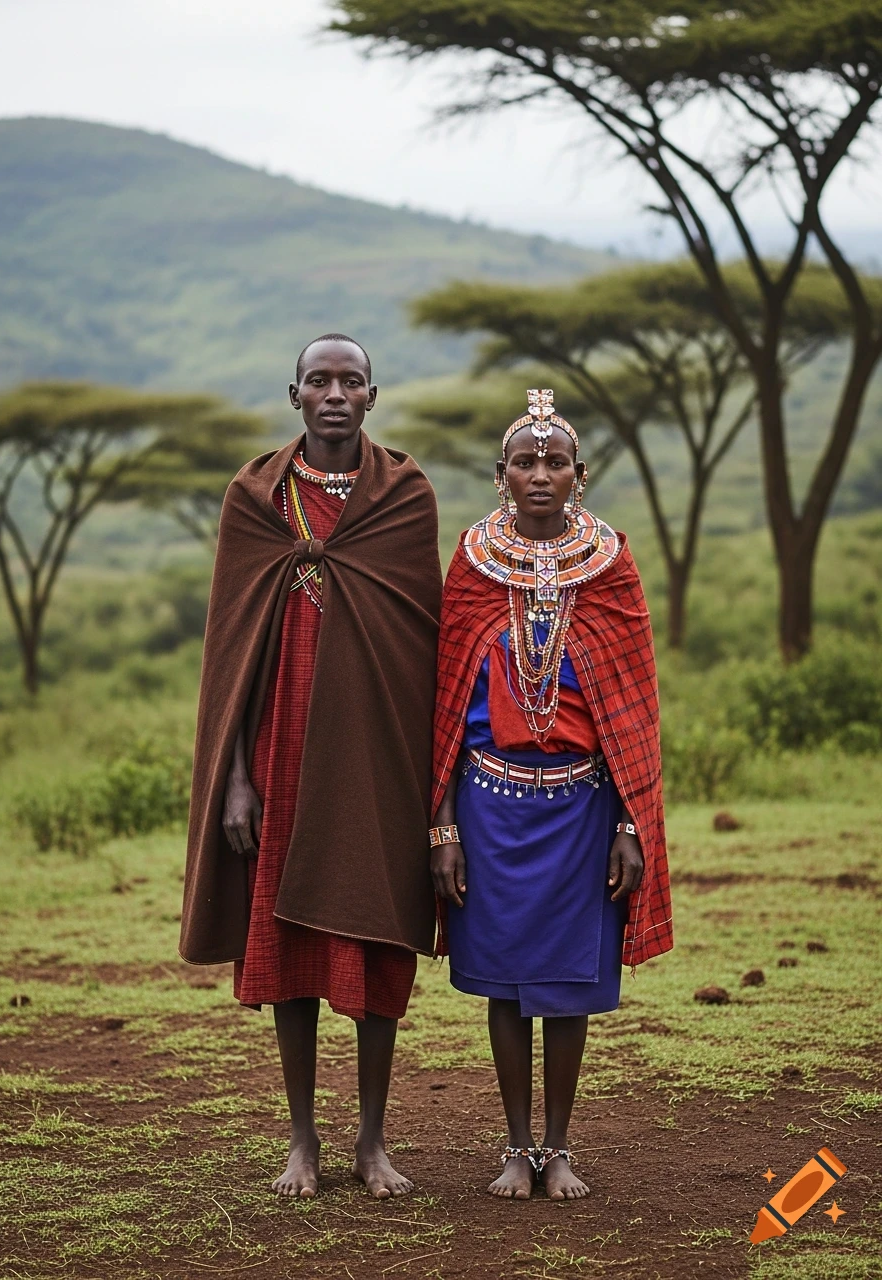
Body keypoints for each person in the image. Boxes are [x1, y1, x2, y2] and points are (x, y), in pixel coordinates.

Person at [180, 334, 441, 1200]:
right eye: (319, 380)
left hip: (373, 761)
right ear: (294, 394)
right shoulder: (255, 499)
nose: (335, 393)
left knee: (372, 937)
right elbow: (233, 656)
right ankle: (304, 1140)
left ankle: (372, 1141)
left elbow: (418, 645)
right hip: (280, 753)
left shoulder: (404, 497)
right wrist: (238, 777)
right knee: (286, 942)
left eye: (351, 381)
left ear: (374, 395)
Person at [429, 389, 672, 1201]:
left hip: (585, 809)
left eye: (555, 461)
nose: (541, 474)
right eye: (525, 462)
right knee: (503, 981)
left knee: (567, 984)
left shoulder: (611, 562)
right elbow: (446, 708)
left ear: (580, 473)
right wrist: (444, 828)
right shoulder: (471, 562)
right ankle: (514, 1146)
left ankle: (558, 1149)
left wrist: (631, 823)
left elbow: (634, 709)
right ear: (501, 475)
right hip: (489, 806)